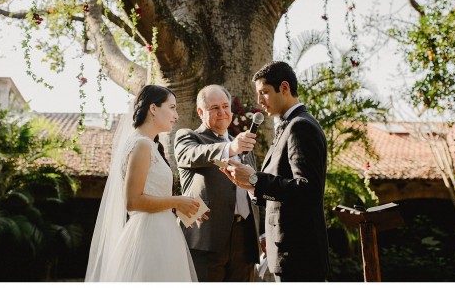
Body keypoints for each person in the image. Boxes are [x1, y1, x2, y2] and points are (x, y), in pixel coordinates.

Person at [85, 85, 208, 282]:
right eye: (172, 107)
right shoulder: (141, 145)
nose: (176, 115)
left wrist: (182, 207)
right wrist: (177, 201)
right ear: (153, 109)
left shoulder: (148, 144)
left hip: (162, 232)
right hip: (149, 238)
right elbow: (133, 201)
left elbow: (153, 195)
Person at [221, 61, 330, 282]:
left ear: (285, 87)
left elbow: (308, 190)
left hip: (300, 255)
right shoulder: (288, 126)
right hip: (286, 251)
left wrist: (254, 178)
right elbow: (282, 192)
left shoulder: (301, 126)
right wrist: (251, 185)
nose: (259, 101)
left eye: (264, 93)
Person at [174, 85, 261, 281]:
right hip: (206, 240)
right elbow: (193, 155)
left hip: (244, 239)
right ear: (200, 111)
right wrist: (231, 147)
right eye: (214, 108)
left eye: (225, 106)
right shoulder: (189, 137)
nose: (222, 112)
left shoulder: (243, 146)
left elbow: (252, 189)